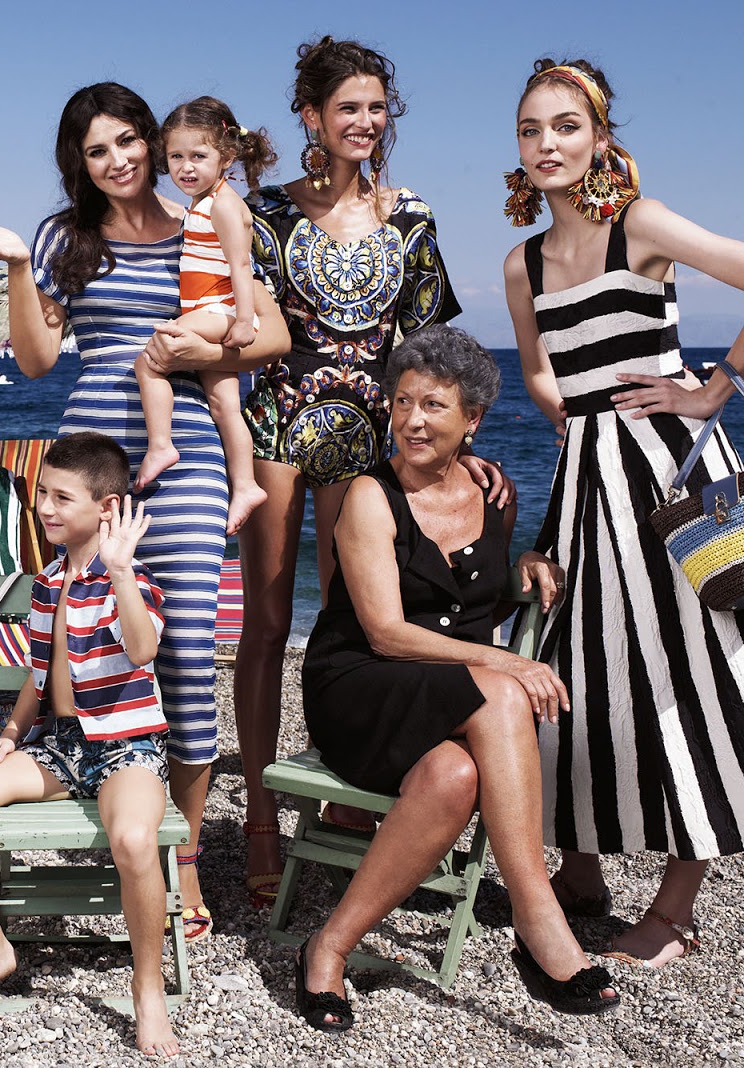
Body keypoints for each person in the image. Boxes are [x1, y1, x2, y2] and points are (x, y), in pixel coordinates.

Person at [0, 83, 289, 942]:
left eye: (129, 141)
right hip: (93, 464)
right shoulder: (64, 236)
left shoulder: (203, 217)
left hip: (191, 455)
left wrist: (197, 344)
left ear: (153, 141)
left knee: (185, 652)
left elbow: (274, 333)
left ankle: (180, 854)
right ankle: (110, 806)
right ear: (80, 162)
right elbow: (35, 360)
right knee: (89, 638)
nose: (118, 161)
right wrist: (18, 266)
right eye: (96, 150)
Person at [231, 38, 493, 909]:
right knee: (267, 626)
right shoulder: (265, 212)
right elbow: (242, 323)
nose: (366, 121)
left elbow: (428, 346)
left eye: (378, 107)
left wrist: (456, 443)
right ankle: (260, 818)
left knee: (350, 628)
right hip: (278, 426)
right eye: (349, 107)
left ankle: (348, 800)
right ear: (312, 115)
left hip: (370, 440)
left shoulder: (410, 214)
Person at [297, 325, 618, 1031]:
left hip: (445, 696)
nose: (412, 420)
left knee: (454, 777)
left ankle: (328, 946)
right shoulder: (369, 496)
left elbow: (475, 606)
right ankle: (537, 916)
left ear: (471, 419)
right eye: (402, 402)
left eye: (434, 405)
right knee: (501, 689)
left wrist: (521, 567)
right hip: (360, 685)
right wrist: (507, 661)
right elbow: (385, 632)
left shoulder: (491, 492)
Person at [502, 58, 744, 968]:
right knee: (579, 667)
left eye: (566, 126)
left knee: (696, 667)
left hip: (671, 474)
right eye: (531, 130)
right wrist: (581, 429)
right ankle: (581, 873)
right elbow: (539, 372)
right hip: (587, 479)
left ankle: (676, 909)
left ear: (600, 138)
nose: (547, 144)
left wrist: (711, 388)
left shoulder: (639, 223)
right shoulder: (521, 264)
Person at [0, 433, 177, 1055]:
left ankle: (148, 988)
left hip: (127, 746)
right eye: (42, 492)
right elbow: (38, 678)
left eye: (61, 497)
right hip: (62, 745)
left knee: (133, 839)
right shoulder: (47, 581)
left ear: (107, 507)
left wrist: (120, 572)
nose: (44, 506)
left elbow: (143, 649)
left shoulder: (134, 578)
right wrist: (9, 735)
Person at [135, 96, 273, 539]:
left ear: (226, 157)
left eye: (198, 156)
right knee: (224, 406)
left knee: (150, 359)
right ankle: (246, 485)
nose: (186, 167)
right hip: (211, 310)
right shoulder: (201, 202)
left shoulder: (223, 205)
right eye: (176, 157)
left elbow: (241, 267)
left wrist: (244, 321)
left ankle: (161, 445)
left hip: (218, 310)